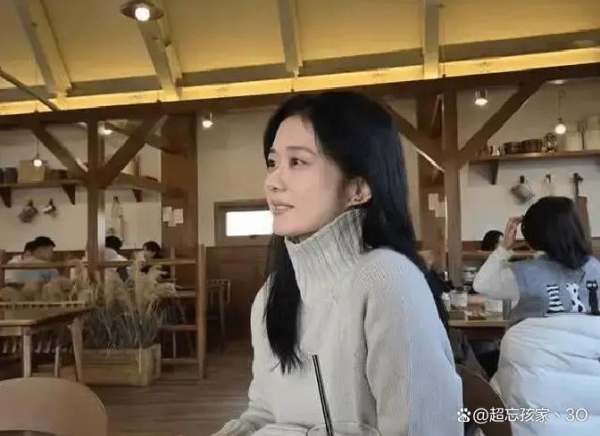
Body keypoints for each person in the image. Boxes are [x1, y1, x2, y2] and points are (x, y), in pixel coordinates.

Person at [212, 91, 461, 436]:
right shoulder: (271, 294)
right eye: (272, 162)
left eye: (297, 162)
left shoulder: (387, 279)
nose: (272, 182)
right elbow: (264, 411)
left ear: (358, 188)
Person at [474, 197, 600, 435]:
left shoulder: (523, 274)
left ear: (532, 236)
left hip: (533, 416)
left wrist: (504, 248)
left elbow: (481, 284)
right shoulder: (595, 269)